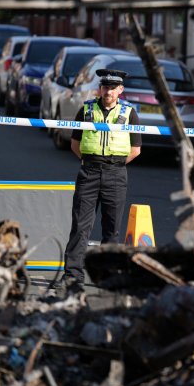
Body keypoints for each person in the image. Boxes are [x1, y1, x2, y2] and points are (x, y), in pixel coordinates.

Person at [54, 68, 141, 294]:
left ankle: (107, 276)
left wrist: (114, 165)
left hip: (116, 173)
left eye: (113, 88)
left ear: (120, 90)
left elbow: (135, 150)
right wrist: (92, 163)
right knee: (80, 227)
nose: (108, 91)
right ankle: (73, 276)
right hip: (89, 172)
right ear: (100, 88)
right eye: (105, 87)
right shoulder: (86, 110)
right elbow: (75, 144)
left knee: (111, 230)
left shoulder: (130, 113)